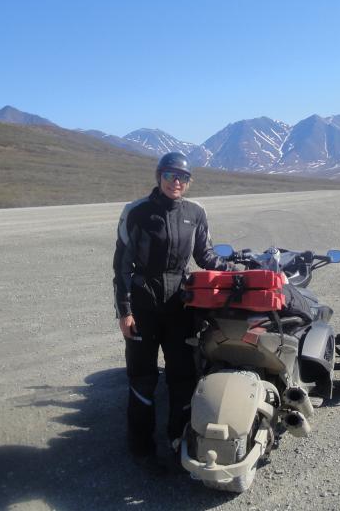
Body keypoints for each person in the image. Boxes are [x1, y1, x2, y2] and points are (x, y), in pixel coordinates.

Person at [112, 151, 230, 461]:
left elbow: (206, 257)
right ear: (159, 176)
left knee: (183, 375)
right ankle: (141, 448)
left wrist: (234, 268)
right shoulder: (136, 212)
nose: (176, 182)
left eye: (183, 177)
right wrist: (125, 311)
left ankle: (179, 439)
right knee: (142, 377)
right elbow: (122, 267)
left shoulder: (196, 212)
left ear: (189, 182)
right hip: (143, 306)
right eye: (170, 175)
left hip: (180, 305)